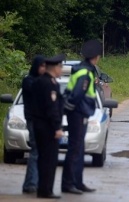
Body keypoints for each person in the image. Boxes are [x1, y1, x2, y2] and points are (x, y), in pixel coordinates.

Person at [61, 39, 102, 194]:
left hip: (78, 113)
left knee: (79, 149)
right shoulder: (85, 73)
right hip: (78, 114)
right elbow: (77, 93)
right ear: (96, 57)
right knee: (75, 149)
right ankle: (68, 184)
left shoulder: (82, 69)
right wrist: (72, 109)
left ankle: (78, 182)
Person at [32, 54, 66, 199]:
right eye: (61, 67)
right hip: (47, 128)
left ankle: (43, 189)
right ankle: (46, 190)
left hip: (39, 125)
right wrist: (57, 127)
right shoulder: (49, 84)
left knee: (43, 159)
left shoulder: (40, 81)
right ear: (56, 67)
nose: (62, 70)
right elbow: (52, 108)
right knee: (49, 160)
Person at [22, 55, 46, 194]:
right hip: (32, 119)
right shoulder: (29, 81)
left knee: (38, 152)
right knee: (35, 151)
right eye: (42, 66)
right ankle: (31, 183)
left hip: (41, 119)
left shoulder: (41, 80)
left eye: (45, 66)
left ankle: (32, 182)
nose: (44, 69)